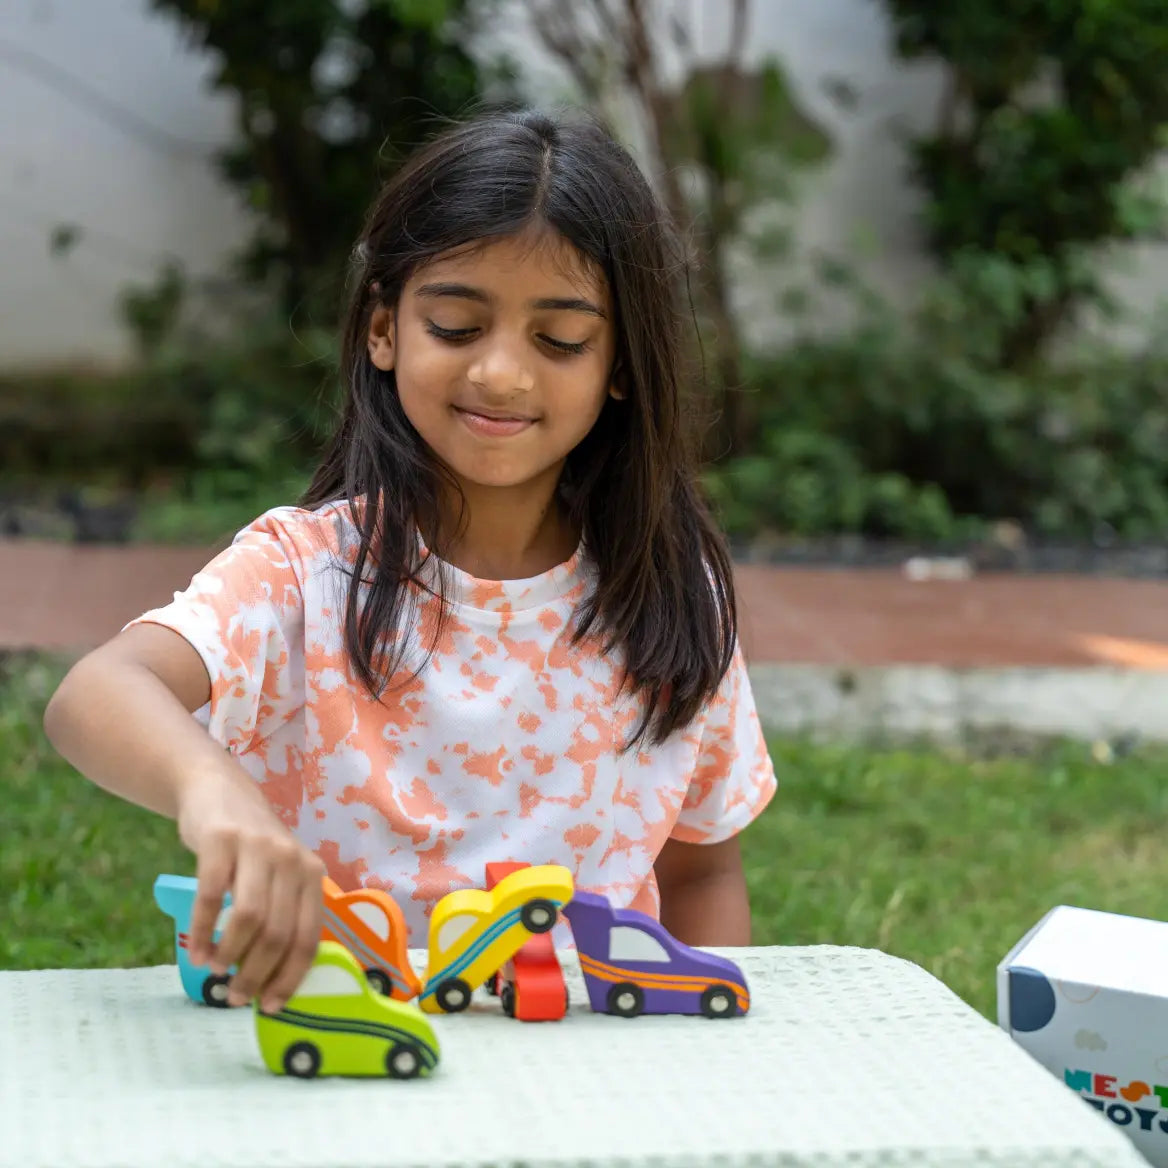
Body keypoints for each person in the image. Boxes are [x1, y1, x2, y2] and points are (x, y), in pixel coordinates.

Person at [43, 108, 776, 1016]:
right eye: (458, 327)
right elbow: (96, 692)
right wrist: (212, 792)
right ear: (385, 331)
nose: (502, 374)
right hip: (342, 1058)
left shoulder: (673, 598)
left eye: (560, 340)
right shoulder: (305, 573)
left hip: (595, 1087)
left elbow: (703, 872)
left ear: (619, 363)